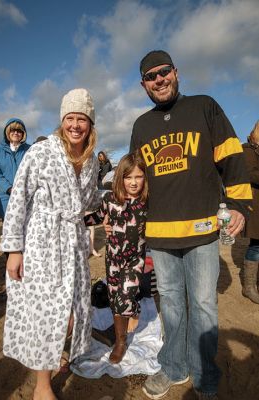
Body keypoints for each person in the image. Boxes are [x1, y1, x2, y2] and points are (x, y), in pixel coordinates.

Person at [129, 50, 252, 399]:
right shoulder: (141, 125)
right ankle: (174, 367)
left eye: (164, 71)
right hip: (160, 234)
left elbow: (232, 156)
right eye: (151, 77)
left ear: (176, 72)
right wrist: (125, 214)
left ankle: (204, 374)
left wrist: (241, 204)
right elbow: (135, 178)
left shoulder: (204, 106)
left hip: (201, 232)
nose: (159, 80)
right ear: (143, 85)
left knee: (202, 305)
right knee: (170, 304)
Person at [0, 88, 101, 400]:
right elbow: (18, 199)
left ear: (90, 124)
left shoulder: (92, 160)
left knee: (72, 311)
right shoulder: (41, 152)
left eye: (81, 119)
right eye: (70, 118)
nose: (75, 124)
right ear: (62, 120)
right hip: (42, 241)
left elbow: (91, 204)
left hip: (73, 242)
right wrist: (14, 250)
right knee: (46, 310)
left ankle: (55, 351)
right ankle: (42, 386)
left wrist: (107, 214)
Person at [85, 151, 148, 364]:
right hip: (112, 258)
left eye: (138, 177)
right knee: (115, 299)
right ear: (120, 177)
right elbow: (96, 217)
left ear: (145, 178)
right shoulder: (111, 199)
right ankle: (134, 309)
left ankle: (120, 343)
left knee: (124, 298)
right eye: (128, 177)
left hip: (135, 259)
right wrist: (75, 221)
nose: (133, 182)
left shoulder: (148, 202)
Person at [0, 118, 30, 219]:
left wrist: (23, 189)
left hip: (25, 195)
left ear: (23, 134)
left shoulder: (30, 150)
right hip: (4, 196)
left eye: (19, 131)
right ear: (7, 131)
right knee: (5, 229)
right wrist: (10, 189)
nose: (16, 133)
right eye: (12, 130)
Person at [242, 120, 259, 303]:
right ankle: (249, 287)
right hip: (255, 205)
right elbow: (250, 173)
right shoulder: (247, 149)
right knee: (256, 245)